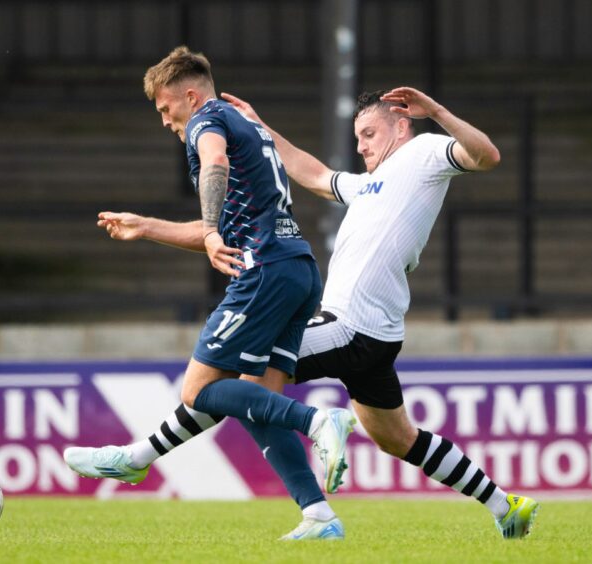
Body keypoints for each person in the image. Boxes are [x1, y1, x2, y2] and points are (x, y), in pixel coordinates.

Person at [92, 85, 539, 540]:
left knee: (235, 384)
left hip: (349, 326)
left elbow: (486, 156)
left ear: (402, 126)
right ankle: (506, 505)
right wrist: (260, 129)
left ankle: (140, 458)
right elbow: (315, 173)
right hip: (375, 332)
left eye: (369, 133)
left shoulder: (424, 153)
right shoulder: (369, 186)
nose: (361, 145)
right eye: (357, 136)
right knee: (396, 437)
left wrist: (438, 112)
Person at [63, 46, 355, 541]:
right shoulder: (249, 128)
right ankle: (319, 516)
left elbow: (213, 166)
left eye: (165, 109)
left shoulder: (207, 121)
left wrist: (214, 229)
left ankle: (318, 420)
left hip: (263, 272)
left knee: (198, 390)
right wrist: (147, 226)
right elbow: (219, 225)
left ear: (189, 96)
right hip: (298, 270)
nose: (165, 122)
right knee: (257, 402)